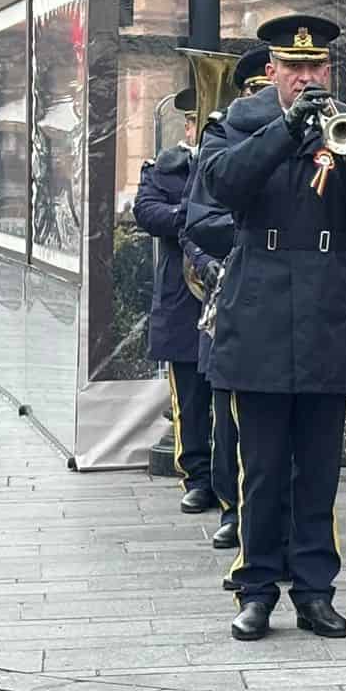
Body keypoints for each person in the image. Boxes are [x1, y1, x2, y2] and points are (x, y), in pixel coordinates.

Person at [200, 14, 346, 641]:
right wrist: (285, 132)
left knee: (317, 470)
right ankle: (256, 588)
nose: (306, 77)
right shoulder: (235, 125)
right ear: (273, 72)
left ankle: (315, 590)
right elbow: (219, 187)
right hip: (258, 304)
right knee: (260, 468)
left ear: (329, 71)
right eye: (295, 69)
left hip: (326, 309)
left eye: (316, 68)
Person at [182, 47, 270, 553]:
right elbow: (197, 219)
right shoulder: (225, 141)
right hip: (230, 290)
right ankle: (233, 507)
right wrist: (227, 257)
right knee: (228, 410)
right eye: (255, 92)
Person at [135, 87, 214, 515]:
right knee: (190, 398)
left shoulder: (232, 163)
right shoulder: (164, 169)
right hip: (184, 297)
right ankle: (198, 477)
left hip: (230, 293)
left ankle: (227, 474)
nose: (199, 128)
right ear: (186, 125)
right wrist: (190, 215)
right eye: (196, 121)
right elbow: (146, 212)